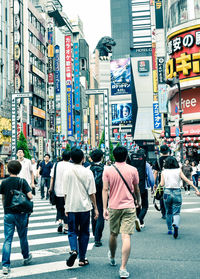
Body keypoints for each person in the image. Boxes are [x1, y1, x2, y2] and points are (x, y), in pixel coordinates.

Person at [102, 146, 140, 279]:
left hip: (113, 206)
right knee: (126, 237)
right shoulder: (133, 170)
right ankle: (123, 268)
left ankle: (112, 257)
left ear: (113, 156)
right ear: (126, 156)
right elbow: (136, 188)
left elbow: (105, 190)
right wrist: (139, 201)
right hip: (129, 206)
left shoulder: (107, 170)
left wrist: (104, 208)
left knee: (113, 234)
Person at [62, 148, 98, 267]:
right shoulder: (88, 172)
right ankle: (82, 258)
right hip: (85, 208)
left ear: (71, 159)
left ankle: (73, 250)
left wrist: (66, 207)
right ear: (83, 159)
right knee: (84, 232)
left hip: (71, 206)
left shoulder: (67, 172)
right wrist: (96, 208)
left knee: (72, 231)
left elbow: (65, 193)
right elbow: (92, 193)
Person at [0, 160, 33, 275]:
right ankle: (26, 257)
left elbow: (3, 198)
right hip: (21, 213)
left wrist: (6, 208)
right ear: (19, 170)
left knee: (7, 239)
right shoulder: (22, 181)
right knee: (22, 236)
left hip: (8, 213)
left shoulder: (4, 182)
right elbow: (30, 196)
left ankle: (5, 265)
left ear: (8, 170)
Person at [160, 156, 199, 238]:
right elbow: (187, 180)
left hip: (167, 192)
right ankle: (176, 224)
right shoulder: (178, 170)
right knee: (176, 212)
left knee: (168, 212)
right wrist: (196, 189)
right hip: (177, 192)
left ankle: (170, 230)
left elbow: (162, 184)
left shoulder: (164, 171)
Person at [49, 151, 71, 234]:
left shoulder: (56, 165)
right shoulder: (71, 166)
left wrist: (50, 188)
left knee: (59, 208)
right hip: (68, 191)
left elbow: (52, 177)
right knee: (67, 209)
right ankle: (66, 227)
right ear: (70, 157)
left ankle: (59, 222)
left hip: (57, 190)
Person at [134, 150, 155, 229]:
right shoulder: (146, 165)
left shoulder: (132, 164)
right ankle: (140, 219)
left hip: (133, 188)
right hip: (143, 187)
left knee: (137, 204)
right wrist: (152, 186)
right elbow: (151, 178)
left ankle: (140, 222)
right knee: (145, 205)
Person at [90, 149, 105, 247]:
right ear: (102, 158)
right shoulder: (105, 169)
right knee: (100, 214)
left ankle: (95, 233)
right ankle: (97, 238)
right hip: (101, 193)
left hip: (91, 193)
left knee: (93, 213)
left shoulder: (88, 169)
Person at [153, 145, 170, 219]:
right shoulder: (172, 159)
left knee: (162, 196)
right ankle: (170, 211)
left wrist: (154, 183)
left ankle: (163, 213)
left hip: (161, 180)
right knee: (171, 195)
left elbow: (155, 172)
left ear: (161, 152)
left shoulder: (158, 160)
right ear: (168, 151)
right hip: (171, 179)